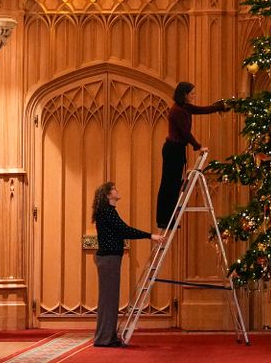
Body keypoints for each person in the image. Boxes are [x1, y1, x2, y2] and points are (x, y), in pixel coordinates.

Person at [92, 182, 162, 348]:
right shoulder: (107, 211)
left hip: (110, 258)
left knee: (109, 298)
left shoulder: (108, 211)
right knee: (109, 299)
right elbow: (125, 230)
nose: (117, 190)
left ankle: (106, 337)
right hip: (109, 258)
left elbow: (122, 230)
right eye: (114, 189)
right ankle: (104, 339)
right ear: (108, 195)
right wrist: (150, 236)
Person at [155, 81, 230, 229]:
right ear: (185, 94)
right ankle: (164, 219)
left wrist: (219, 106)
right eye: (192, 94)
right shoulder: (177, 111)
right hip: (172, 150)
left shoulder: (185, 107)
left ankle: (169, 218)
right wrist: (198, 146)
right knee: (169, 184)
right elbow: (185, 133)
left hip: (178, 149)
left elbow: (202, 110)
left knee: (175, 184)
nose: (194, 96)